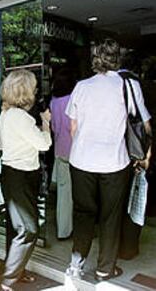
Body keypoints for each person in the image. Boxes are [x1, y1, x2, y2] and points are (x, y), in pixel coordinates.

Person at [65, 39, 150, 281]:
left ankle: (76, 264)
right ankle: (105, 268)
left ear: (96, 59)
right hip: (115, 162)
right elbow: (144, 124)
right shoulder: (129, 86)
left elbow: (73, 126)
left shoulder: (82, 86)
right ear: (117, 59)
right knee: (111, 217)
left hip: (81, 161)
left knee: (83, 213)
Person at [0, 70, 51, 291]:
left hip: (13, 174)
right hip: (21, 176)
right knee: (28, 229)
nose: (36, 91)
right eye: (33, 87)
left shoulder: (7, 113)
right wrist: (46, 124)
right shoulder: (21, 117)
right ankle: (6, 278)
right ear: (25, 90)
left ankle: (18, 270)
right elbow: (44, 144)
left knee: (15, 228)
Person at [117, 51, 152, 260]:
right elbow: (144, 120)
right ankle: (128, 248)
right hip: (131, 151)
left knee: (115, 203)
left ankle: (113, 247)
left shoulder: (103, 84)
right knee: (133, 198)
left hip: (108, 153)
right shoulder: (132, 83)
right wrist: (148, 151)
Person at [50, 68, 76, 239]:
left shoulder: (53, 102)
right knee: (72, 196)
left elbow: (53, 128)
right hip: (73, 153)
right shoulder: (72, 102)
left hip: (59, 151)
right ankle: (66, 231)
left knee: (63, 194)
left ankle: (63, 229)